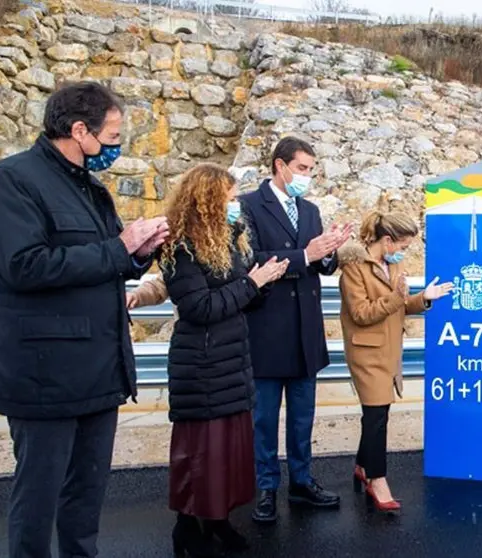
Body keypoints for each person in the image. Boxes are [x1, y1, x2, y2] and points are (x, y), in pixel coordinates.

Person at [0, 81, 169, 558]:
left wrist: (140, 253)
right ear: (79, 131)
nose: (117, 145)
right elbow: (23, 266)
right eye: (111, 135)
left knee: (87, 494)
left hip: (100, 368)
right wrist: (119, 248)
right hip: (46, 375)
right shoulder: (13, 179)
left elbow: (109, 261)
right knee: (38, 496)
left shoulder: (90, 186)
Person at [161, 163, 290, 556]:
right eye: (231, 199)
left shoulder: (227, 241)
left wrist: (263, 282)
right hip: (202, 364)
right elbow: (200, 307)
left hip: (231, 359)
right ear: (208, 201)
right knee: (200, 453)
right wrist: (252, 282)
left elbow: (238, 298)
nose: (237, 206)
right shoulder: (181, 248)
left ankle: (218, 520)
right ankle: (187, 526)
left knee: (227, 453)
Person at [239, 137, 353, 523]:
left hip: (306, 331)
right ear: (280, 165)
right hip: (267, 330)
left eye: (311, 170)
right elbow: (249, 260)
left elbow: (321, 265)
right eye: (302, 168)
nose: (307, 176)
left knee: (303, 417)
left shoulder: (310, 210)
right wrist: (306, 255)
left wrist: (330, 250)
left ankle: (301, 481)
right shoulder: (248, 206)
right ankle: (266, 487)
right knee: (264, 419)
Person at [337, 211, 453, 514]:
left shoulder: (393, 264)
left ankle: (363, 465)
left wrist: (424, 298)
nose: (404, 251)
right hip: (366, 352)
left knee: (377, 413)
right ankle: (377, 480)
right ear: (387, 240)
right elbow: (361, 313)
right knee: (376, 415)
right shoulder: (354, 267)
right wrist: (397, 298)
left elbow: (399, 306)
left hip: (390, 349)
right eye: (403, 245)